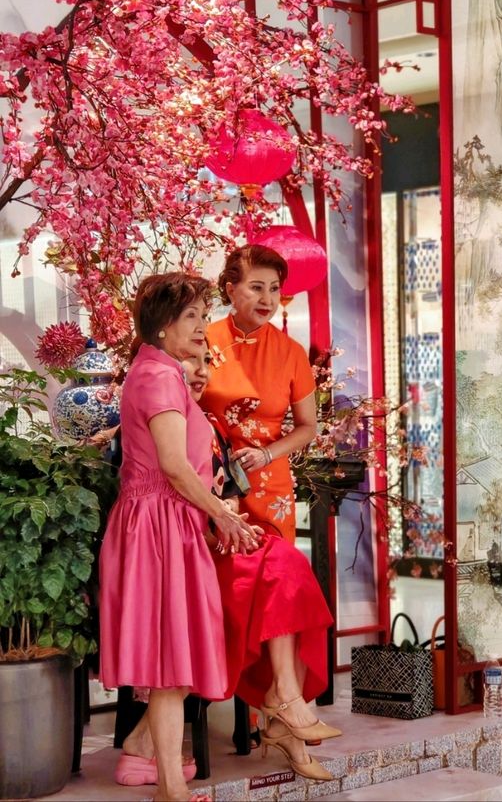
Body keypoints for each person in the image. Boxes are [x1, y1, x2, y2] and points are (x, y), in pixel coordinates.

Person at [99, 272, 261, 802]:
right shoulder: (160, 377)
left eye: (201, 313)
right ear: (162, 327)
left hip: (164, 521)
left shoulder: (158, 371)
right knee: (172, 660)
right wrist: (225, 514)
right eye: (190, 316)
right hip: (160, 523)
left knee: (181, 650)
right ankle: (170, 786)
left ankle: (143, 750)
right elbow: (172, 466)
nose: (200, 325)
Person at [185, 350, 341, 781]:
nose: (201, 373)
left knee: (284, 563)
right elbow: (175, 505)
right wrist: (222, 528)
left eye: (204, 364)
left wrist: (232, 523)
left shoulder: (214, 428)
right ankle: (285, 711)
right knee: (280, 569)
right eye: (190, 362)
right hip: (190, 551)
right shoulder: (170, 426)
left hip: (230, 531)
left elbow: (228, 494)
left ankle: (282, 703)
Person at [199, 244, 317, 544]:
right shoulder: (202, 340)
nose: (268, 299)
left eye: (274, 289)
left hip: (268, 483)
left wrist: (266, 455)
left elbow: (307, 427)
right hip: (209, 483)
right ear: (231, 289)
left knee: (272, 577)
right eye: (256, 287)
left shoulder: (291, 353)